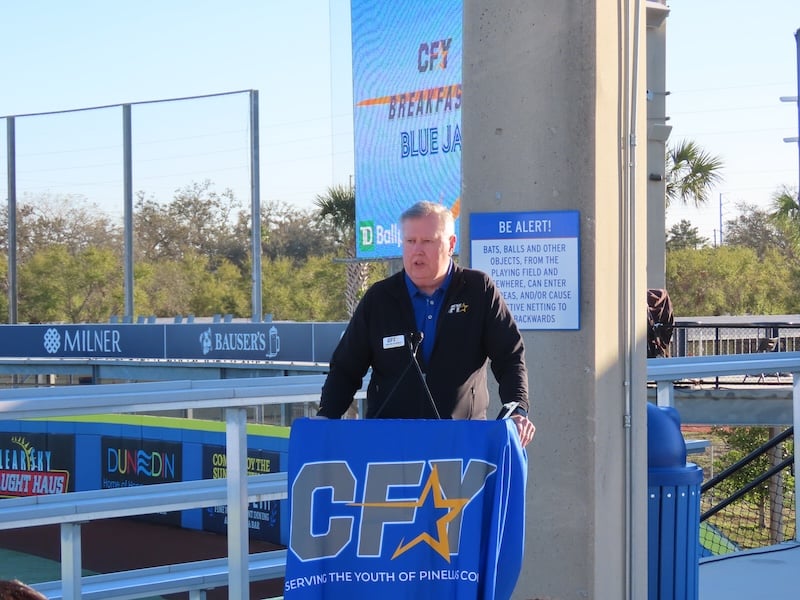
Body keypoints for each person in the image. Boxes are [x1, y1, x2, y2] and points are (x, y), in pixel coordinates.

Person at [318, 200, 535, 447]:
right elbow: (346, 369)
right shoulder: (379, 298)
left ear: (451, 244)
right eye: (410, 241)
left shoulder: (479, 290)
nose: (417, 251)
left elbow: (510, 358)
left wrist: (517, 409)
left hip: (463, 445)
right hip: (391, 446)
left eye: (428, 241)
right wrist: (326, 416)